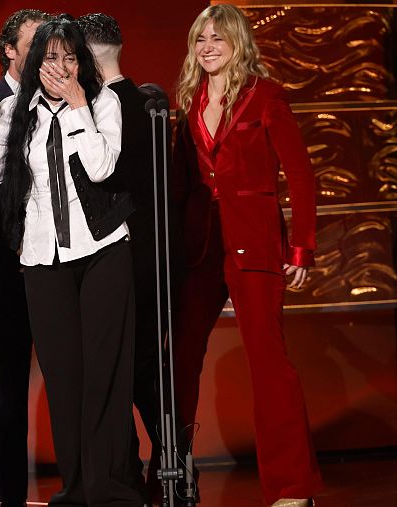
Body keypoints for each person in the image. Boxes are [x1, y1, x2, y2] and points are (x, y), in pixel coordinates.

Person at [171, 4, 321, 506]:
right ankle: (174, 469)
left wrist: (299, 247)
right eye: (199, 39)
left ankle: (293, 488)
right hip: (199, 248)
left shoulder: (267, 96)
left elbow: (300, 176)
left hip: (254, 244)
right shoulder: (189, 99)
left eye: (217, 37)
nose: (207, 46)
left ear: (238, 42)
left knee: (269, 364)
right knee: (178, 357)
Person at [0, 16, 143, 506]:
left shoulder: (104, 102)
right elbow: (7, 182)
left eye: (70, 57)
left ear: (81, 62)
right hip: (43, 258)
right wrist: (19, 241)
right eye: (50, 57)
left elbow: (102, 167)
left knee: (105, 374)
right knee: (64, 378)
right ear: (36, 62)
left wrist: (79, 107)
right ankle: (78, 487)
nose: (60, 67)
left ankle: (111, 487)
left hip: (103, 251)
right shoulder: (16, 111)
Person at [77, 12, 172, 500]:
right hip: (154, 254)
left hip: (119, 257)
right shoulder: (149, 104)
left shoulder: (104, 109)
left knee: (127, 368)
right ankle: (163, 461)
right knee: (142, 365)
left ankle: (156, 461)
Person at [0, 10, 49, 507]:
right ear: (8, 49)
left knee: (68, 378)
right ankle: (7, 495)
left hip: (56, 264)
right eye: (35, 44)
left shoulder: (65, 100)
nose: (47, 54)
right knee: (5, 389)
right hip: (1, 267)